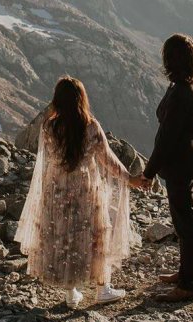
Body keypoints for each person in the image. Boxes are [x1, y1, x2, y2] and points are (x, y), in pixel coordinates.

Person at [17, 76, 146, 308]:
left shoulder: (49, 127)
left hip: (56, 190)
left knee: (64, 239)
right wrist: (130, 179)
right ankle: (102, 289)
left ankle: (71, 292)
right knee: (96, 235)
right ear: (81, 100)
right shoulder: (91, 127)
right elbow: (108, 160)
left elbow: (45, 161)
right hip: (85, 191)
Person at [140, 34, 193, 302]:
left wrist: (148, 173)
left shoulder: (181, 92)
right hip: (191, 158)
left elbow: (166, 140)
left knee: (185, 221)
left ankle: (189, 284)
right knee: (186, 219)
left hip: (179, 163)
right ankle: (187, 273)